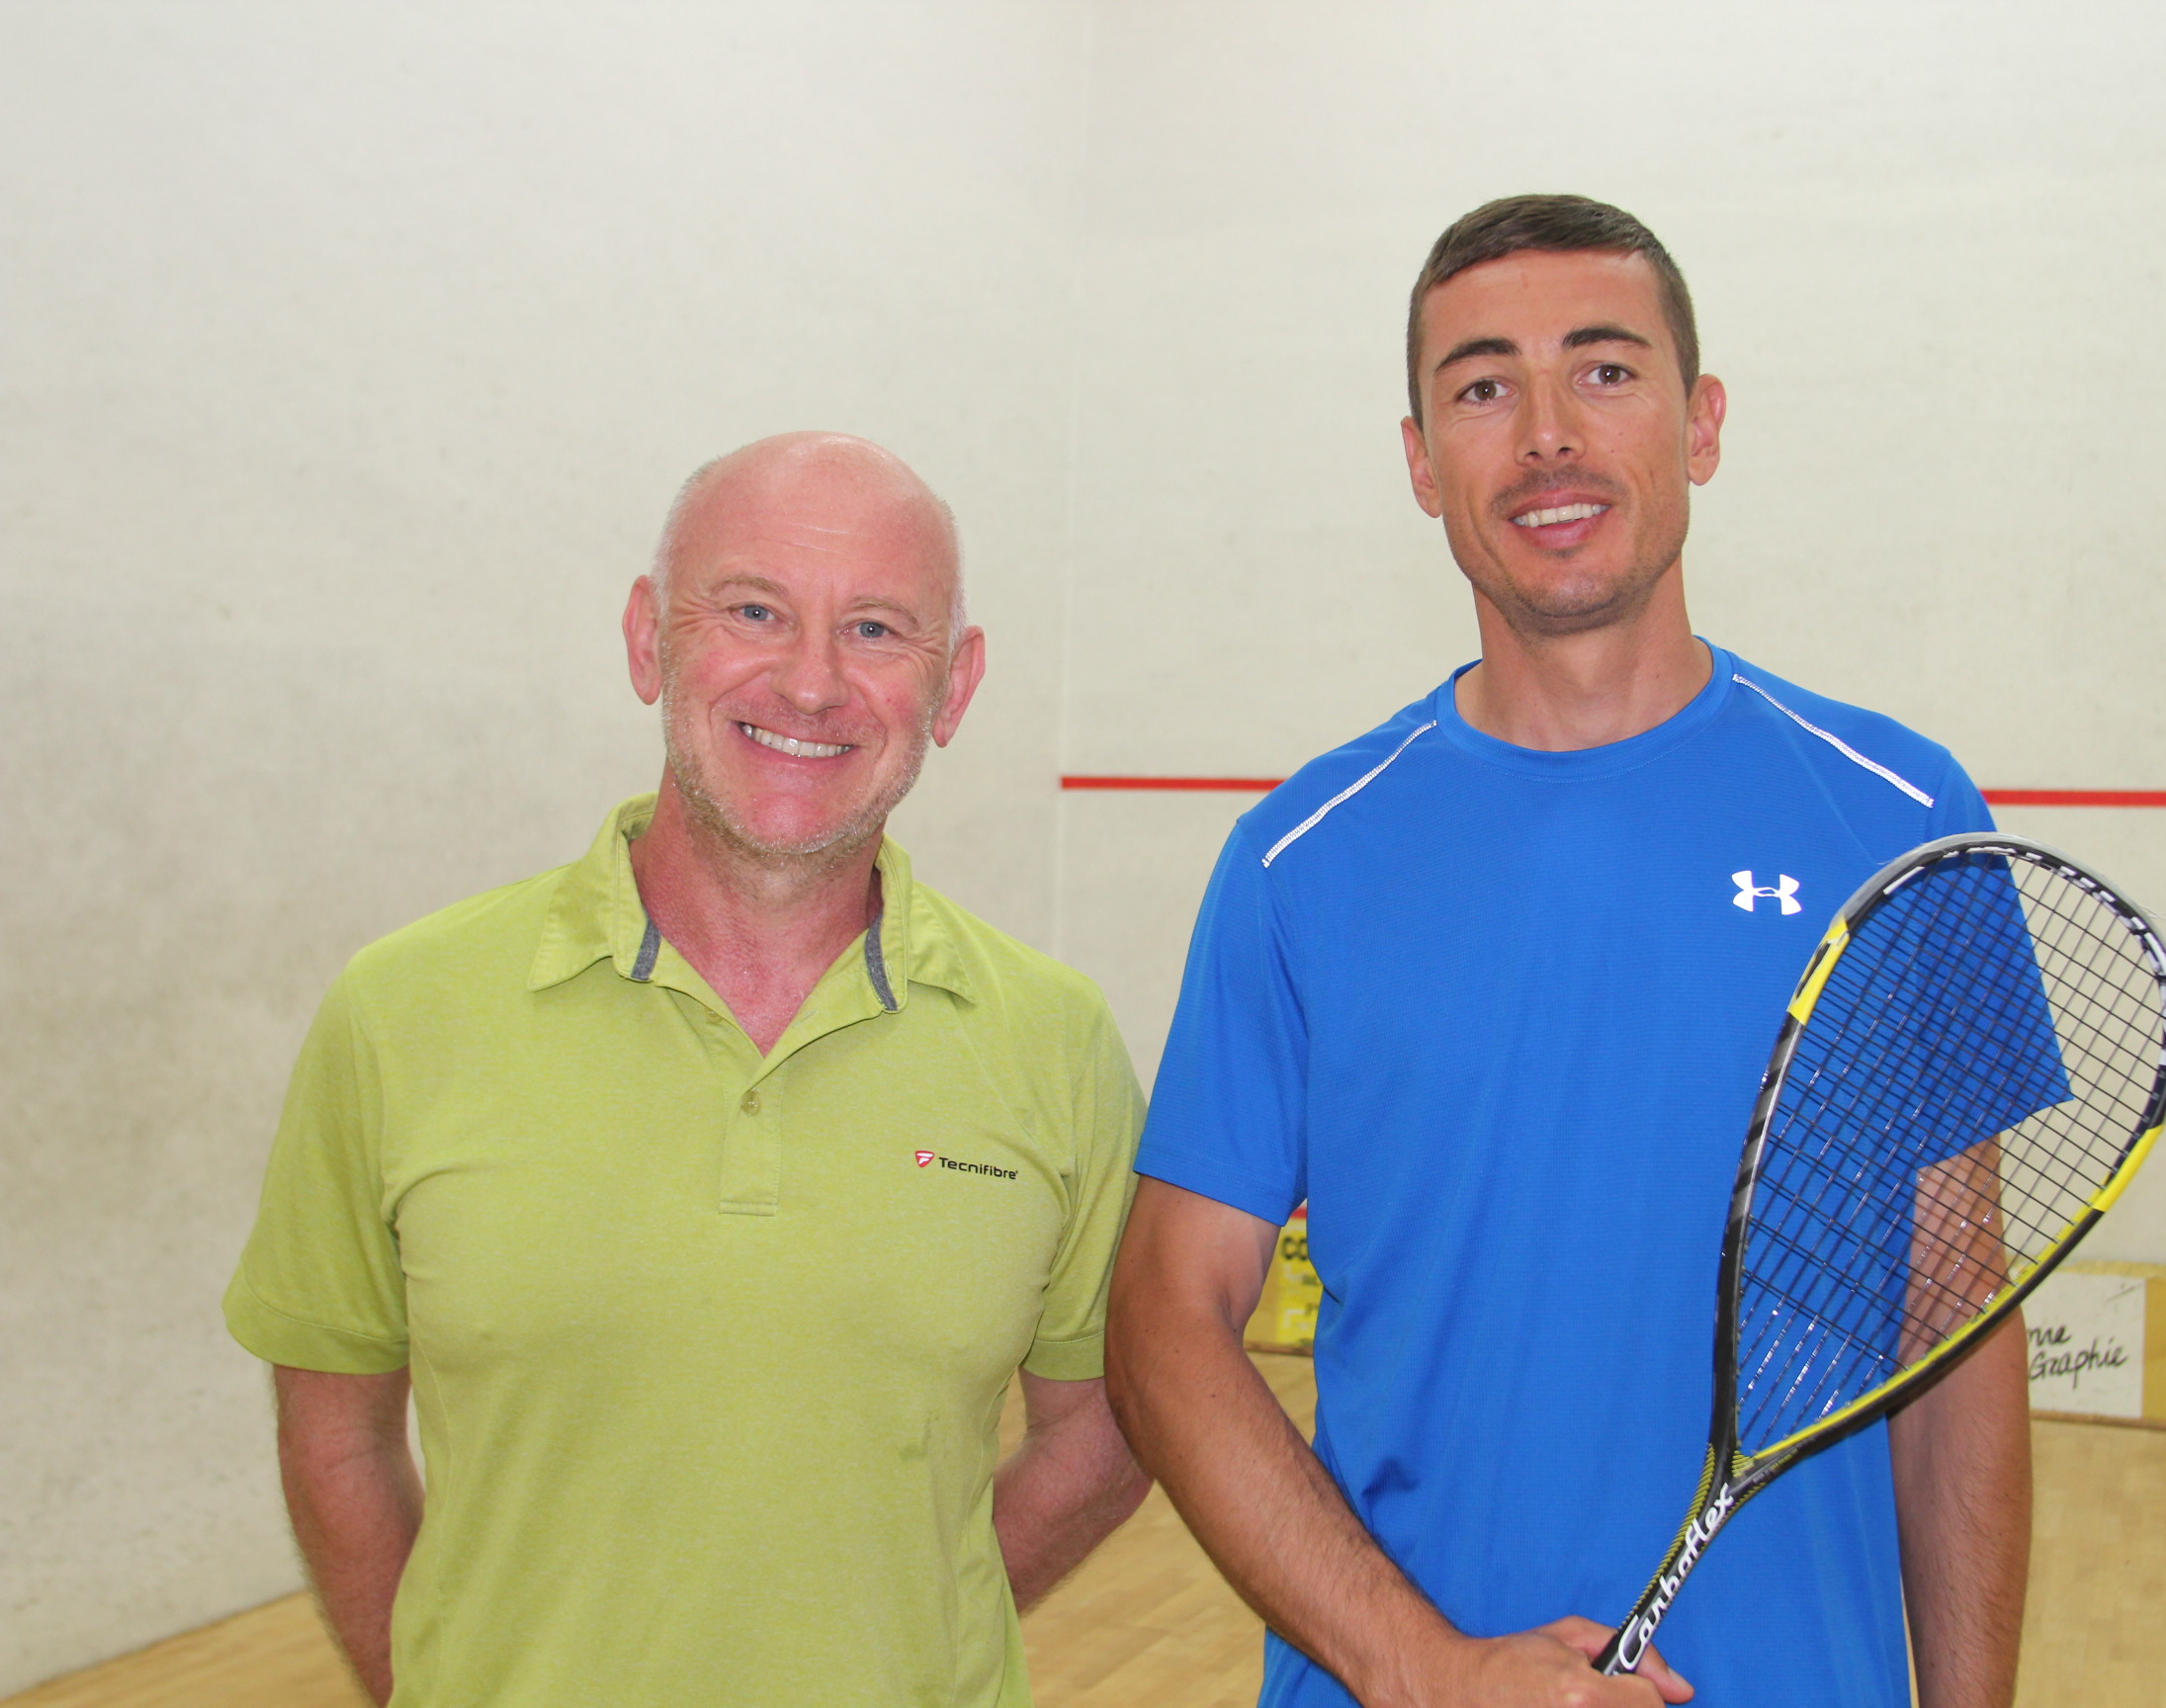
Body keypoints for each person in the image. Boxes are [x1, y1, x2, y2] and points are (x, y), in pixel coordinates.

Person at [1106, 197, 2034, 1708]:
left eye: (1604, 371)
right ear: (1421, 461)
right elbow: (1164, 1321)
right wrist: (1427, 1669)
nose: (1547, 435)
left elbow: (1955, 1322)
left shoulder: (1903, 820)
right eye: (1483, 387)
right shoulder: (1297, 861)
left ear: (1702, 423)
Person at [224, 433, 1151, 1708]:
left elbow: (1104, 1427)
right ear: (647, 639)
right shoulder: (396, 1012)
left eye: (877, 629)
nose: (812, 683)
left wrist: (914, 1639)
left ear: (956, 685)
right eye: (754, 611)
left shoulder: (1057, 1040)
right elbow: (334, 1430)